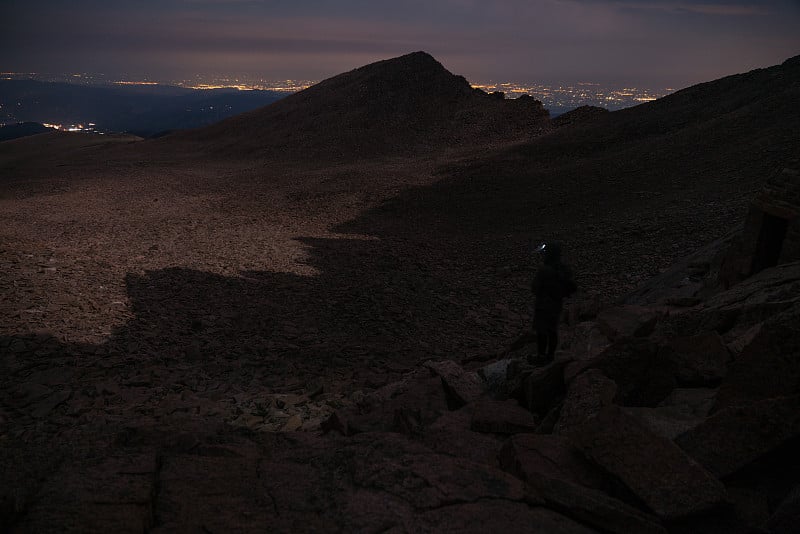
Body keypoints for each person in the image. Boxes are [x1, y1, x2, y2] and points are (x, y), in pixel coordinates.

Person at [531, 241, 576, 364]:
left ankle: (541, 356)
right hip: (557, 304)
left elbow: (535, 288)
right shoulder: (563, 269)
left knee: (541, 330)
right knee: (552, 330)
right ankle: (550, 356)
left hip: (543, 304)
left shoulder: (544, 270)